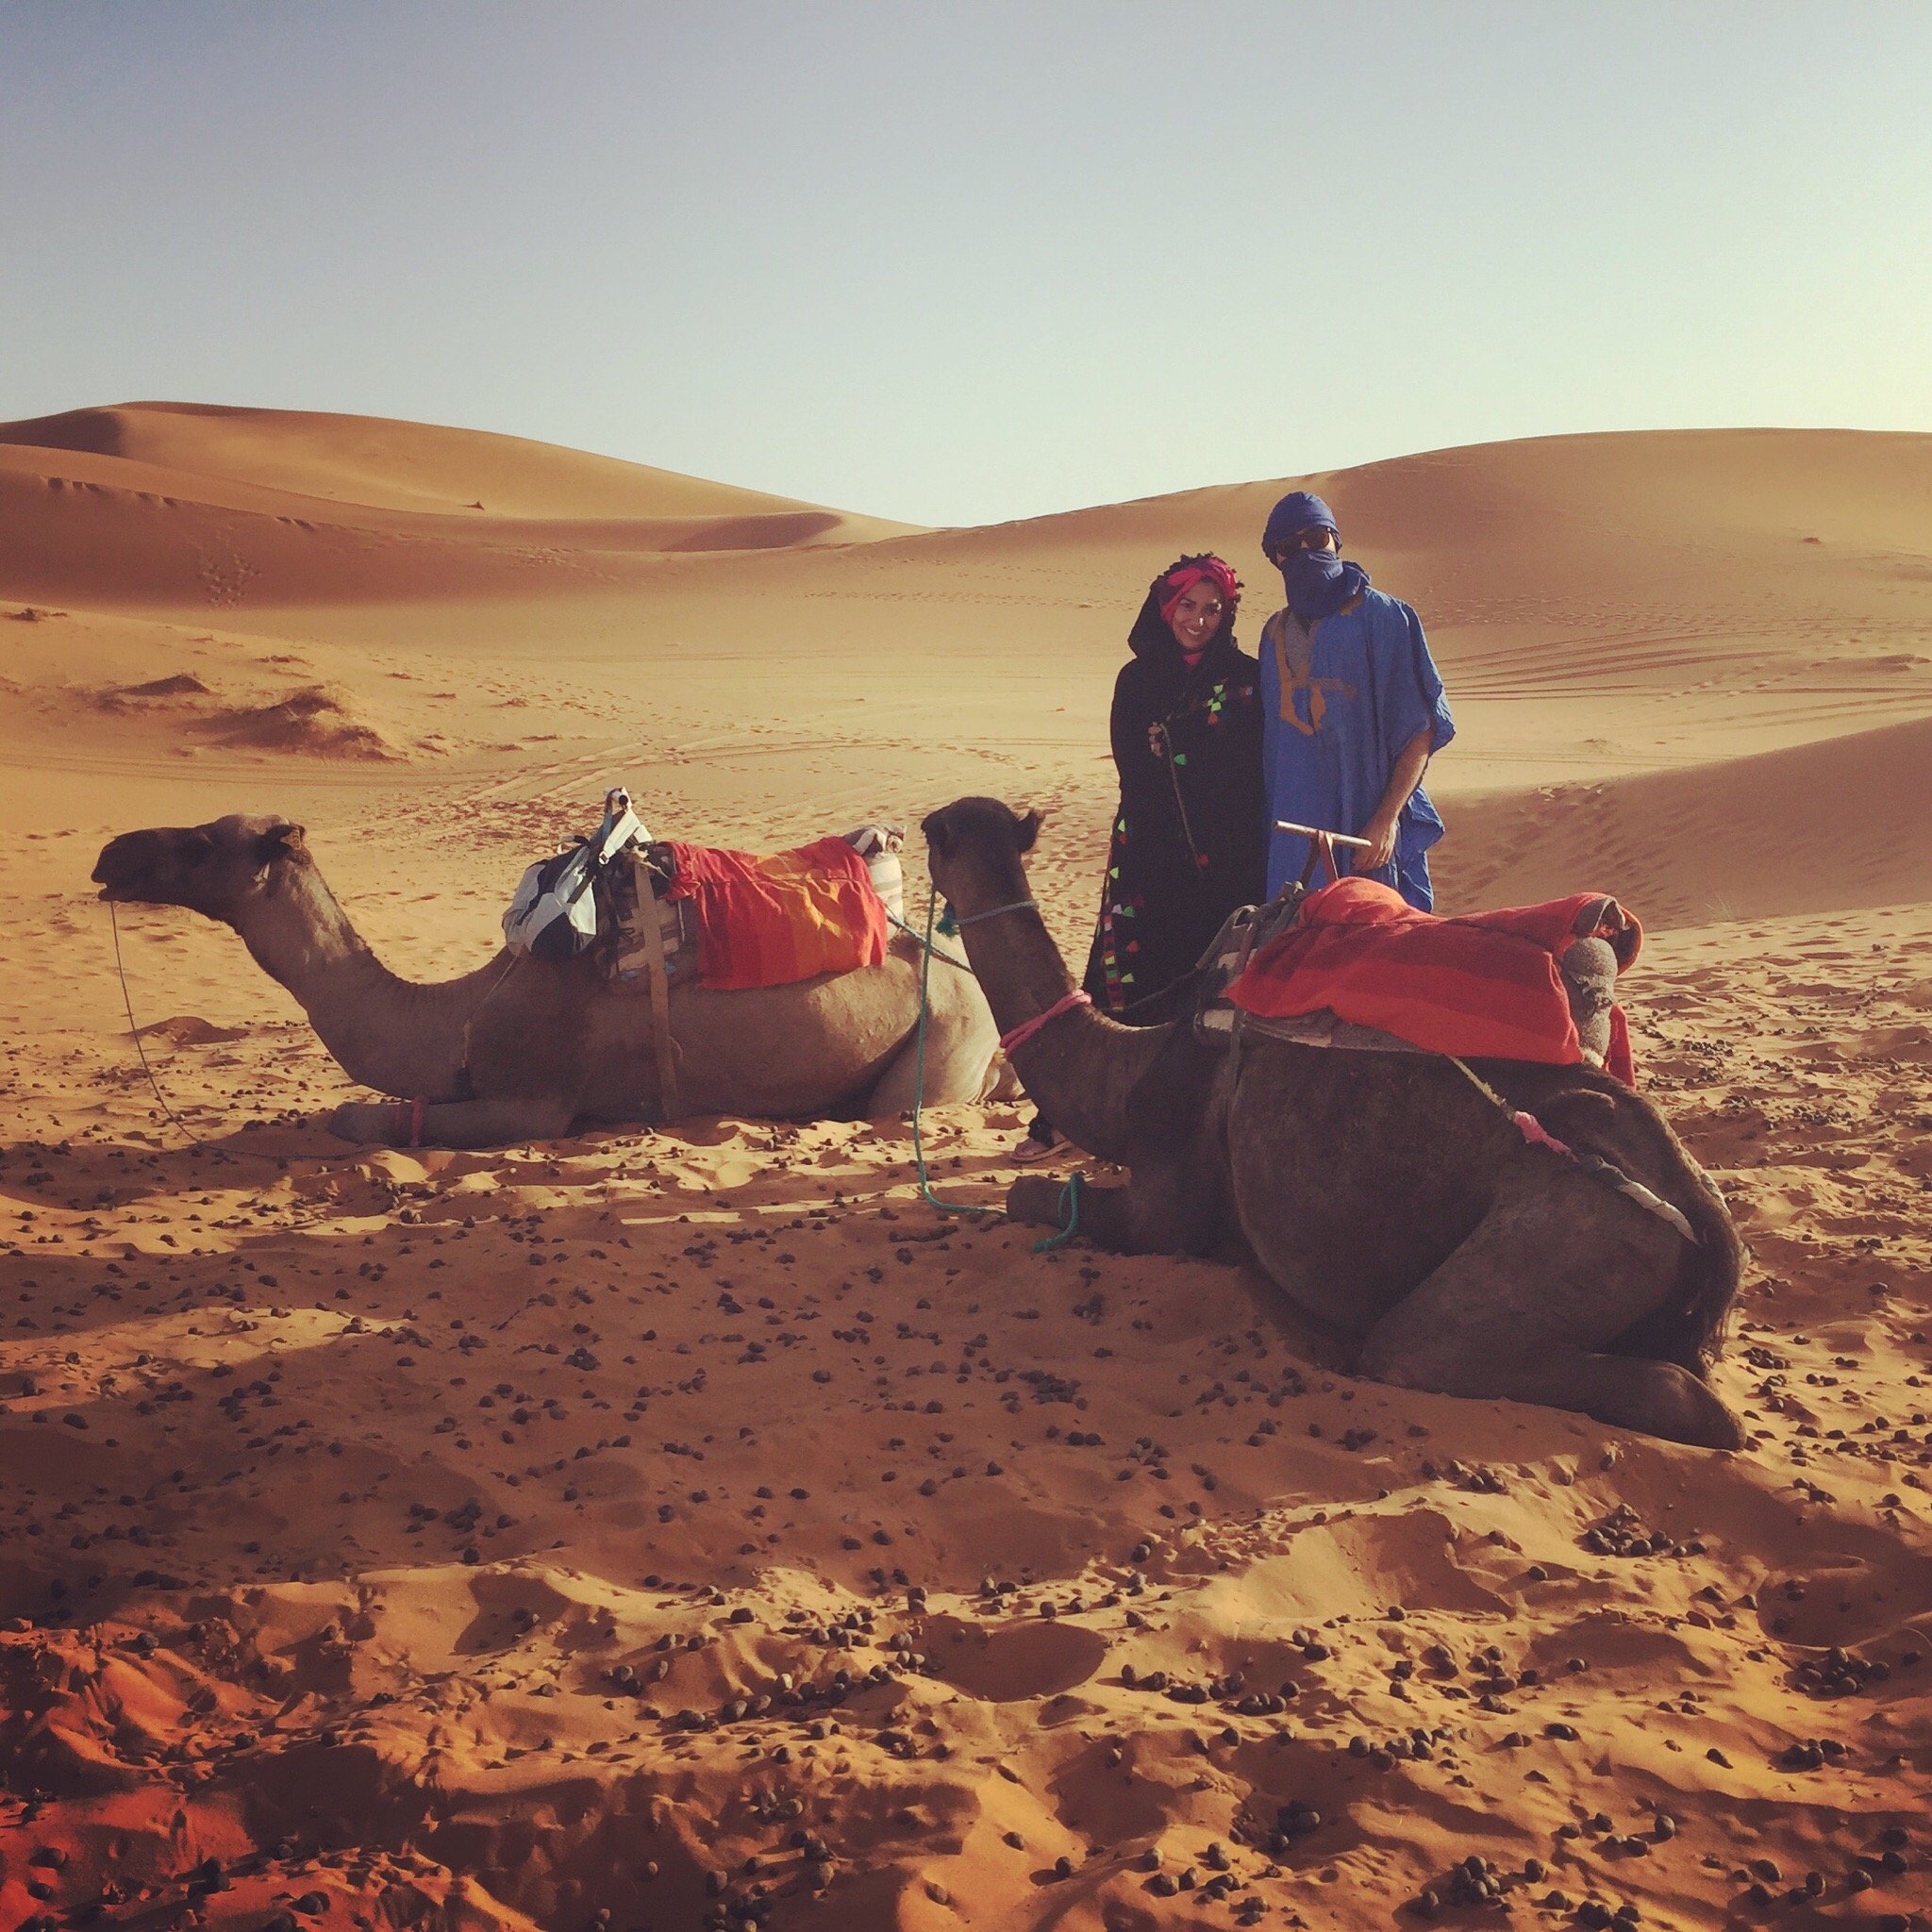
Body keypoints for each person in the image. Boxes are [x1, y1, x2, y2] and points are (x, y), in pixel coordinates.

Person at [1016, 553, 1265, 1161]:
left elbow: (1256, 767)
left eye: (1214, 609)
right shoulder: (1137, 680)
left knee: (1218, 991)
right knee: (1119, 982)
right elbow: (1137, 770)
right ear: (1165, 604)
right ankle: (1068, 1115)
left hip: (1229, 860)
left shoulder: (1248, 680)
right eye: (1188, 605)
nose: (1200, 620)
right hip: (1150, 856)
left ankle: (1200, 1119)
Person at [1257, 491, 1454, 908]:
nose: (1306, 552)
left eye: (1316, 537)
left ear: (1336, 541)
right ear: (1275, 559)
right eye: (1289, 547)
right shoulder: (1272, 633)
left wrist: (1385, 820)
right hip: (1294, 840)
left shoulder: (1386, 618)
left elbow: (1419, 729)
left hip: (1365, 834)